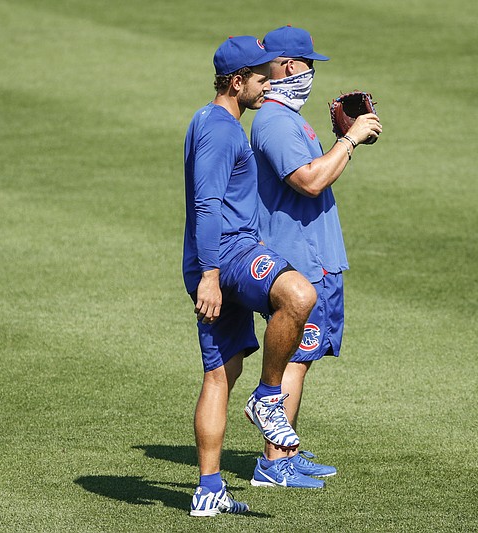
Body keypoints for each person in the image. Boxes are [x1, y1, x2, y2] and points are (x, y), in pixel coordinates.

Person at [182, 35, 319, 517]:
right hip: (229, 256)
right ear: (237, 82)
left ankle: (209, 489)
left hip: (213, 261)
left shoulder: (208, 119)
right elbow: (206, 204)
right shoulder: (222, 130)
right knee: (299, 296)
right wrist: (211, 275)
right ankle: (267, 398)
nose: (268, 87)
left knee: (220, 375)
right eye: (261, 80)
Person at [249, 26, 382, 487]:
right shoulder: (275, 121)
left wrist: (341, 145)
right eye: (308, 65)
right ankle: (274, 462)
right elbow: (308, 180)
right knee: (293, 361)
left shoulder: (289, 117)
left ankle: (287, 450)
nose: (310, 73)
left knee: (301, 360)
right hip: (298, 262)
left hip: (315, 257)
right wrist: (349, 141)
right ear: (289, 66)